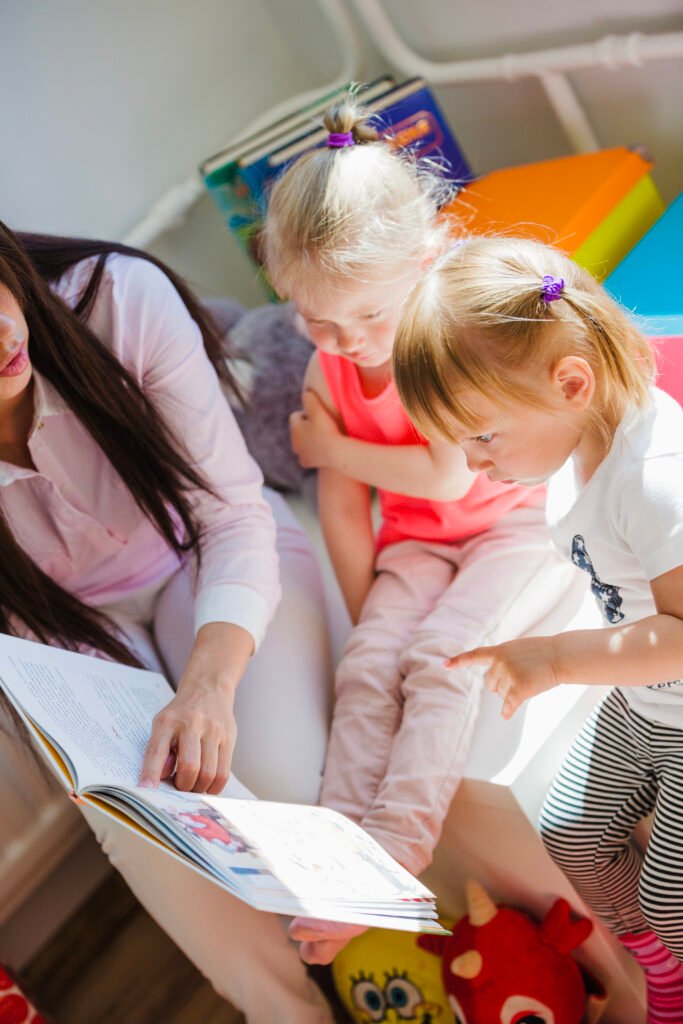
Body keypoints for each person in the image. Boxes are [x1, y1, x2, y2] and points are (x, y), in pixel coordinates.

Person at [262, 99, 585, 965]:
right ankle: (332, 863)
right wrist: (370, 615)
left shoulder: (437, 342)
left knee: (439, 665)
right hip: (417, 545)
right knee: (368, 667)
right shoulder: (328, 363)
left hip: (511, 526)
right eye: (316, 321)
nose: (347, 340)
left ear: (425, 259)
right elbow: (338, 506)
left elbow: (448, 473)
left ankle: (396, 857)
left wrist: (329, 444)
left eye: (366, 316)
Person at [0, 223, 336, 1024]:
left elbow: (229, 515)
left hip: (206, 553)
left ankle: (379, 971)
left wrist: (210, 686)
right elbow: (29, 637)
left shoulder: (116, 301)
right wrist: (97, 746)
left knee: (283, 791)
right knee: (150, 827)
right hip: (71, 629)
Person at [393, 234, 683, 1023]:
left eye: (482, 437)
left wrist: (555, 658)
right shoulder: (577, 448)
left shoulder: (654, 480)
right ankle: (660, 968)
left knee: (667, 891)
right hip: (643, 701)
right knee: (569, 830)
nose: (474, 464)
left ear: (570, 383)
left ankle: (672, 975)